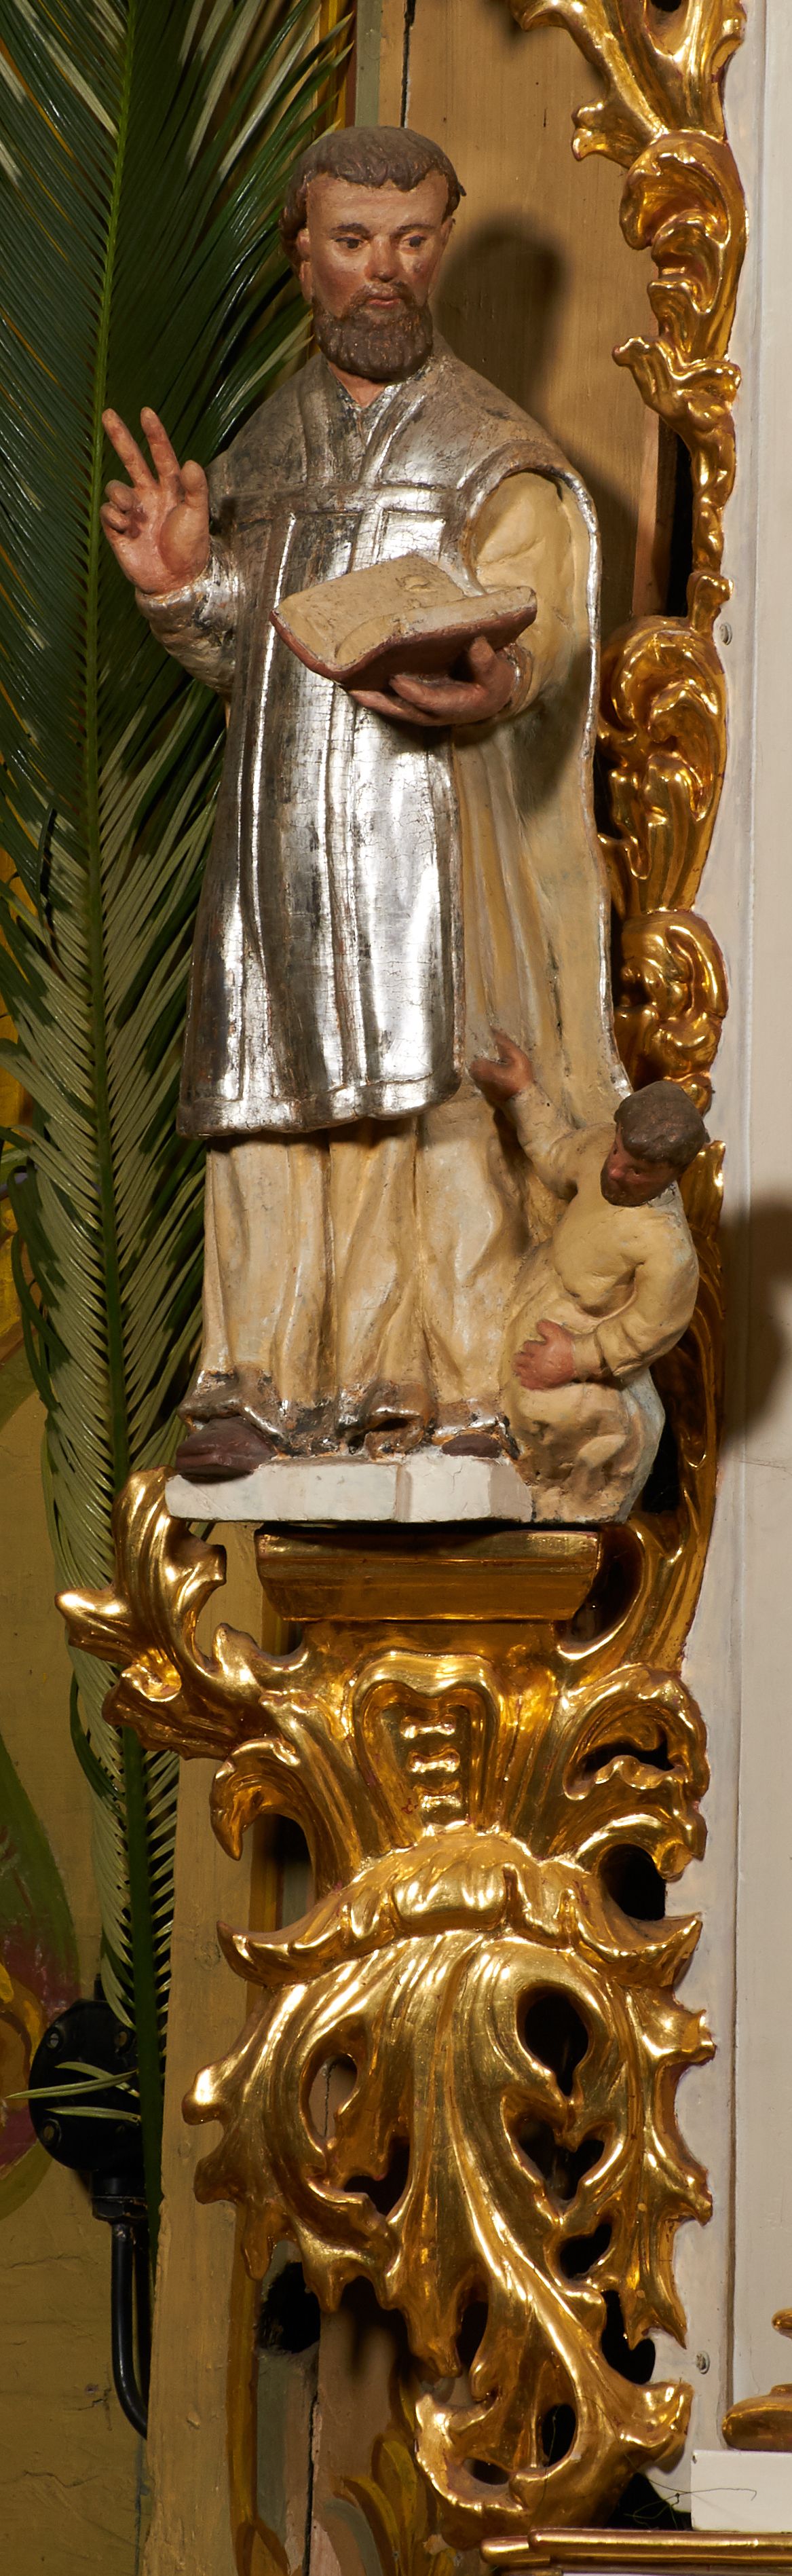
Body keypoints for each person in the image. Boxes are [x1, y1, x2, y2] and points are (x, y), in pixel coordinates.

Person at [100, 125, 622, 1482]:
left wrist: (500, 678)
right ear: (302, 255)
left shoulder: (485, 447)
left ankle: (434, 1377)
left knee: (428, 1092)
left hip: (425, 831)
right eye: (351, 242)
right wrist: (181, 584)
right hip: (281, 830)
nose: (384, 272)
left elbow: (542, 626)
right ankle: (260, 1382)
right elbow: (245, 647)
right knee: (274, 1094)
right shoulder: (267, 446)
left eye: (412, 241)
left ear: (438, 246)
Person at [471, 1031, 704, 1513]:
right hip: (534, 1283)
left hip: (577, 1328)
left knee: (545, 1407)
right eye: (618, 1152)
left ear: (673, 1172)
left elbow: (649, 1329)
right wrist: (522, 1093)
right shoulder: (600, 1150)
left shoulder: (666, 1247)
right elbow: (557, 1153)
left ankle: (561, 1488)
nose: (615, 1170)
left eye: (637, 1170)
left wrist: (576, 1358)